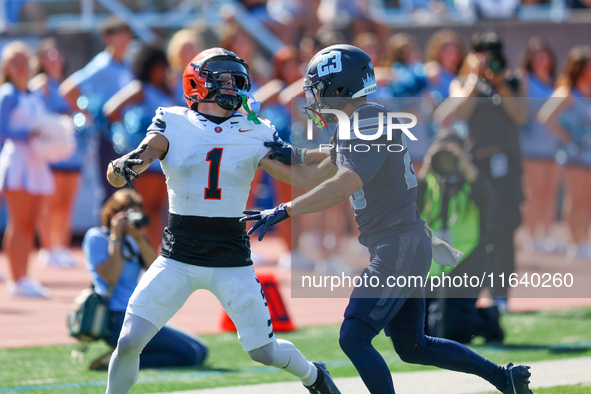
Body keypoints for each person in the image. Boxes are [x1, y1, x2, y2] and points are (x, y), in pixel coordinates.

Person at [245, 44, 532, 394]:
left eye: (320, 88)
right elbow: (309, 175)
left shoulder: (368, 122)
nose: (316, 97)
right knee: (414, 346)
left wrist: (284, 210)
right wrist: (261, 158)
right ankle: (504, 378)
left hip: (398, 245)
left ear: (341, 88)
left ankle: (503, 377)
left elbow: (341, 185)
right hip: (403, 244)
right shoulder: (362, 120)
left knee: (354, 336)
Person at [104, 47, 340, 394]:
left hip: (231, 259)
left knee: (264, 352)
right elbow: (146, 153)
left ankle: (313, 376)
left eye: (236, 80)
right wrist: (128, 164)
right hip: (178, 258)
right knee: (129, 341)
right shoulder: (172, 120)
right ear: (197, 83)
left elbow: (300, 174)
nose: (232, 87)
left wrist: (344, 153)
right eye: (224, 79)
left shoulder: (255, 130)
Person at [434, 32, 527, 313]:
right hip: (475, 169)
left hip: (506, 167)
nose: (488, 58)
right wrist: (475, 79)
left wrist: (499, 83)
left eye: (493, 52)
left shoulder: (513, 81)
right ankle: (471, 295)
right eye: (481, 52)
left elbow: (520, 115)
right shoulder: (462, 82)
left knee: (504, 230)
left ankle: (501, 296)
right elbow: (455, 113)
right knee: (475, 231)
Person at [82, 188, 208, 370]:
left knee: (200, 350)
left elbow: (157, 271)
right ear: (112, 214)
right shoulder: (97, 237)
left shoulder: (133, 239)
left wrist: (139, 238)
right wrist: (116, 237)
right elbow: (111, 277)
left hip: (139, 314)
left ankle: (123, 355)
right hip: (115, 318)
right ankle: (117, 360)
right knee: (191, 355)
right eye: (128, 214)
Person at [416, 130, 503, 344]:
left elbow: (490, 204)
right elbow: (408, 208)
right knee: (418, 327)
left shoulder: (471, 180)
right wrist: (425, 169)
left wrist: (466, 165)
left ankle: (489, 319)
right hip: (432, 266)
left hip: (466, 262)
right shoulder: (429, 182)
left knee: (452, 329)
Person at [103, 45, 175, 250]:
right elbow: (111, 109)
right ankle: (147, 255)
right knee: (146, 209)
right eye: (158, 66)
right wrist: (126, 136)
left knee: (158, 209)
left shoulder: (165, 90)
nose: (162, 70)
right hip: (146, 159)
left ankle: (156, 254)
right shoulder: (140, 88)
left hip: (164, 159)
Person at [59, 16, 134, 203]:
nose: (125, 39)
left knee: (126, 191)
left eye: (126, 34)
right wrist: (87, 115)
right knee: (112, 190)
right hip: (108, 137)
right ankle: (108, 231)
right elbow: (68, 88)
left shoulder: (126, 65)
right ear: (107, 38)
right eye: (119, 34)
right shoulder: (102, 64)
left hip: (125, 136)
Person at [0, 41, 53, 298]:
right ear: (6, 67)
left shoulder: (33, 94)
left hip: (36, 161)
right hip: (17, 161)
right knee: (19, 223)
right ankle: (16, 278)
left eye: (24, 61)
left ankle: (24, 276)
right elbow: (2, 130)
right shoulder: (7, 93)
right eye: (14, 62)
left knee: (31, 222)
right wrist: (28, 134)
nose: (20, 67)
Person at [29, 37, 82, 268]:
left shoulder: (70, 87)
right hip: (50, 155)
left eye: (56, 53)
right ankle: (47, 248)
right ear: (40, 60)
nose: (54, 58)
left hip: (72, 153)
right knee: (49, 203)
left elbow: (83, 113)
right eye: (48, 54)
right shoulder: (39, 85)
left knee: (66, 203)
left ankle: (61, 247)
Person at [537, 45, 591, 261]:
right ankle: (575, 242)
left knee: (587, 201)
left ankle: (584, 239)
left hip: (588, 154)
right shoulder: (567, 92)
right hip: (574, 156)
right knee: (576, 199)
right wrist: (568, 137)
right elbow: (545, 116)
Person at [518, 37, 561, 254]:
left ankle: (547, 235)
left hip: (554, 147)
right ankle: (531, 236)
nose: (541, 59)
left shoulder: (557, 83)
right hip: (531, 147)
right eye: (537, 55)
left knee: (550, 192)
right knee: (533, 193)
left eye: (544, 55)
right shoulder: (525, 81)